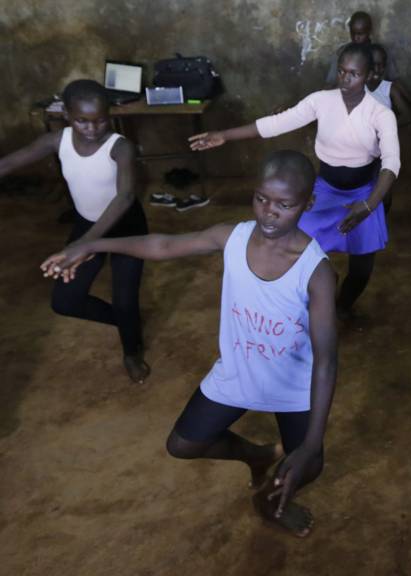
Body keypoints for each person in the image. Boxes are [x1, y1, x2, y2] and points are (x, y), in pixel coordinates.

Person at [42, 150, 339, 538]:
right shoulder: (231, 237)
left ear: (308, 204)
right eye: (261, 199)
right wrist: (92, 245)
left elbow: (326, 360)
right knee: (182, 444)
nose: (269, 213)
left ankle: (268, 502)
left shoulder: (316, 272)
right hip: (238, 373)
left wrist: (313, 444)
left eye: (284, 205)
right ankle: (257, 455)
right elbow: (163, 246)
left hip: (292, 387)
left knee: (309, 464)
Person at [189, 43, 399, 323]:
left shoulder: (380, 113)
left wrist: (368, 205)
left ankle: (342, 307)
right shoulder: (322, 101)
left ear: (369, 75)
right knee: (296, 254)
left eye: (354, 74)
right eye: (341, 72)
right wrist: (225, 135)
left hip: (362, 196)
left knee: (361, 270)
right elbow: (276, 124)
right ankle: (301, 309)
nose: (346, 80)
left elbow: (391, 163)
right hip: (324, 191)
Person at [0, 79, 150, 382]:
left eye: (101, 120)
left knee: (125, 298)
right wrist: (85, 241)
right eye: (82, 120)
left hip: (125, 228)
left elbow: (125, 197)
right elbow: (9, 162)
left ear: (110, 115)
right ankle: (125, 321)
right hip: (87, 225)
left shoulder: (120, 147)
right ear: (67, 115)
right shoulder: (57, 141)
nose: (92, 128)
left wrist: (85, 244)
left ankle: (131, 350)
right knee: (65, 302)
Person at [323, 11, 397, 87]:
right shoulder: (342, 52)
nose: (356, 38)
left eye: (360, 34)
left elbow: (392, 81)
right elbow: (331, 82)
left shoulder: (380, 53)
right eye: (353, 33)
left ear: (369, 31)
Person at [367, 44, 411, 127]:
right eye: (373, 64)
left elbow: (408, 115)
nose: (376, 69)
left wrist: (385, 128)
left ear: (384, 67)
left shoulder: (389, 88)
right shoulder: (357, 85)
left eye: (380, 65)